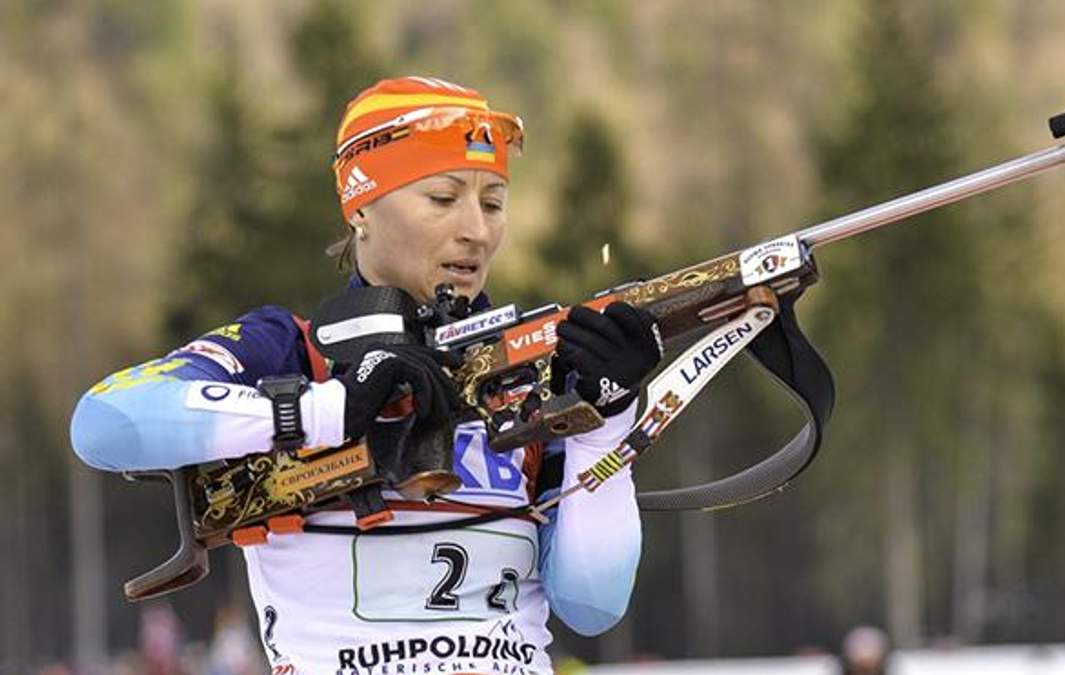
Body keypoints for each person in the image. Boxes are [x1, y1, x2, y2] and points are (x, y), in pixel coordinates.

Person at [71, 76, 662, 675]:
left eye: (493, 203)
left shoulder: (526, 370)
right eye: (443, 198)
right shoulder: (295, 349)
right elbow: (104, 421)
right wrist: (324, 410)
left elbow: (593, 604)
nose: (477, 231)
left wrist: (605, 427)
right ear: (361, 208)